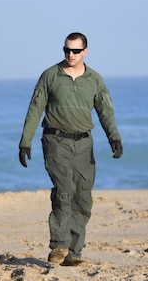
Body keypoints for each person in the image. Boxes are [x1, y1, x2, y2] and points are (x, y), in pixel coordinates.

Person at [18, 32, 122, 266]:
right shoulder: (50, 76)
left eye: (75, 51)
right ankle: (59, 245)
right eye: (66, 50)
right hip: (56, 141)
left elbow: (105, 111)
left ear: (85, 51)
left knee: (83, 196)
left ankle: (74, 252)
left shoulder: (94, 79)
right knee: (64, 189)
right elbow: (35, 109)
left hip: (84, 143)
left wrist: (114, 138)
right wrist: (25, 141)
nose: (70, 54)